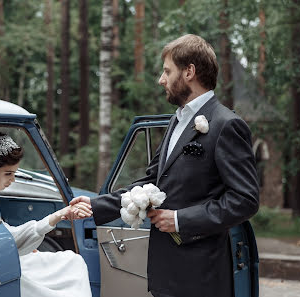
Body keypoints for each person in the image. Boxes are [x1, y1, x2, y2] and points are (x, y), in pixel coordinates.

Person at [71, 34, 260, 297]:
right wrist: (95, 205)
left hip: (201, 276)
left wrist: (180, 220)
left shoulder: (226, 125)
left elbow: (245, 200)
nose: (161, 80)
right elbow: (150, 183)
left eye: (167, 71)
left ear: (189, 72)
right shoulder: (176, 122)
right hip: (165, 271)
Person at [0, 131, 93, 297]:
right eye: (8, 173)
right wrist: (56, 216)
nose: (13, 179)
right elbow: (1, 237)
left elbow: (0, 231)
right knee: (71, 264)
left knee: (71, 261)